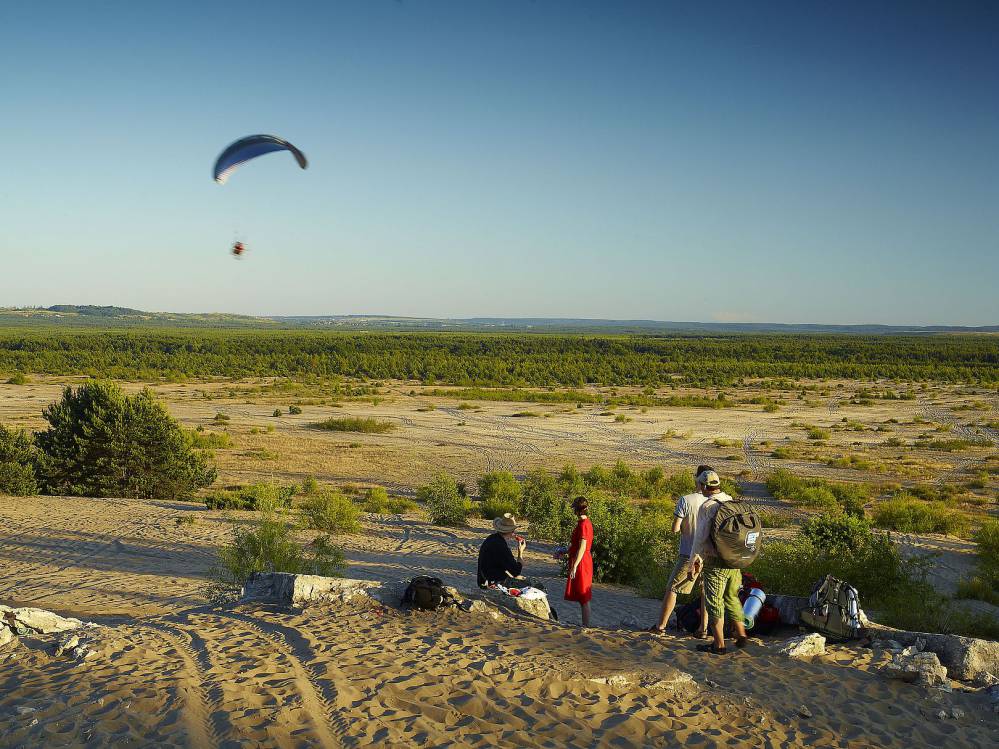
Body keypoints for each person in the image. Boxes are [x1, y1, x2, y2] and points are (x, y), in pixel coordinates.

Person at [648, 465, 713, 637]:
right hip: (710, 554)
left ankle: (660, 626)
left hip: (689, 553)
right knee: (705, 592)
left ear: (697, 479)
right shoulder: (716, 501)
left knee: (673, 588)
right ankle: (703, 628)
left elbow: (675, 528)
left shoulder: (686, 500)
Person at [690, 469, 748, 654]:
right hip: (734, 559)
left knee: (714, 601)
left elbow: (700, 538)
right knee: (731, 597)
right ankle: (740, 633)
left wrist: (694, 561)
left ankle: (719, 644)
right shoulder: (729, 499)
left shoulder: (707, 506)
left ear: (703, 486)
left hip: (715, 561)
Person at [563, 496, 594, 626]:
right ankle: (585, 624)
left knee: (583, 596)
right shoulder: (584, 523)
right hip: (581, 559)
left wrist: (575, 565)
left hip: (582, 562)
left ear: (577, 510)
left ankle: (586, 625)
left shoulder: (584, 525)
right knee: (582, 596)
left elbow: (583, 546)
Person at [477, 513, 527, 588]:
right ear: (511, 531)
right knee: (527, 584)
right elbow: (515, 571)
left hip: (483, 579)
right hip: (490, 583)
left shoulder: (491, 538)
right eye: (513, 531)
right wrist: (520, 552)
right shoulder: (501, 546)